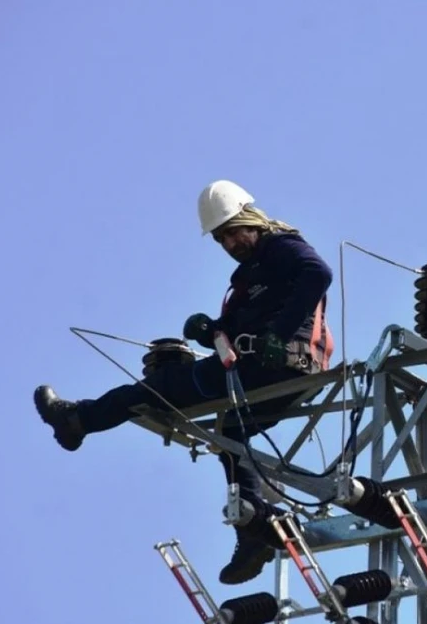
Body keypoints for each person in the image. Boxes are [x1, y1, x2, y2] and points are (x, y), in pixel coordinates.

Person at [32, 179, 335, 585]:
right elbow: (246, 325)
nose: (229, 244)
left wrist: (278, 334)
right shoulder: (250, 274)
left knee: (160, 387)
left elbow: (318, 273)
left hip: (283, 363)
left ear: (249, 220)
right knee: (232, 432)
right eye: (221, 239)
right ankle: (253, 530)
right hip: (265, 369)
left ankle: (78, 420)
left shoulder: (280, 246)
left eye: (232, 232)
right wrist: (213, 329)